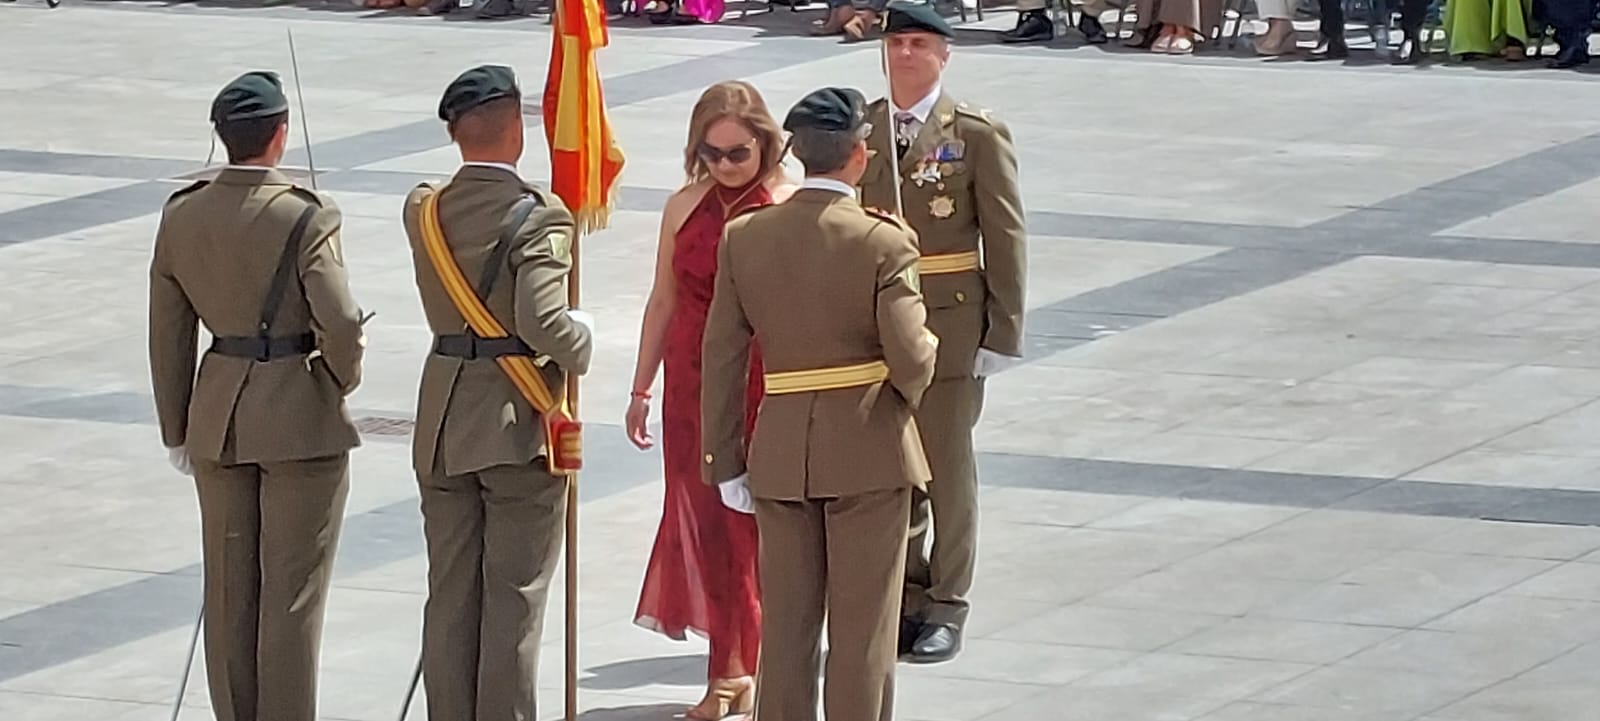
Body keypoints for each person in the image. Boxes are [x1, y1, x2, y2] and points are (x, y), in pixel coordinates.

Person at [701, 86, 938, 721]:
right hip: (869, 450)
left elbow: (720, 356)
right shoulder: (884, 242)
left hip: (779, 452)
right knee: (863, 634)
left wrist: (723, 460)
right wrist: (900, 400)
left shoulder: (744, 236)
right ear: (860, 156)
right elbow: (912, 356)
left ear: (798, 154)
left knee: (786, 632)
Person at [148, 70, 367, 721]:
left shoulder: (183, 212)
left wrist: (176, 426)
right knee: (291, 596)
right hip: (297, 410)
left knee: (229, 590)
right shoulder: (306, 212)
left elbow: (168, 331)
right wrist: (336, 381)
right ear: (279, 135)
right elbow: (344, 321)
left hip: (216, 415)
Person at [401, 64, 594, 721]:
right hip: (516, 424)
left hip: (444, 419)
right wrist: (582, 343)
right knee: (514, 596)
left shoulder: (422, 207)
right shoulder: (539, 216)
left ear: (456, 133)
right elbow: (543, 320)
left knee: (450, 595)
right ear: (516, 128)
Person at [858, 0, 1027, 664]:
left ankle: (948, 602)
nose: (907, 54)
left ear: (945, 53)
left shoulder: (975, 133)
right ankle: (905, 594)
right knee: (892, 468)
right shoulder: (865, 125)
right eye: (898, 42)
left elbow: (1004, 233)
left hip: (951, 321)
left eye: (921, 44)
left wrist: (1003, 331)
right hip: (878, 323)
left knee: (947, 471)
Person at [624, 79, 792, 721]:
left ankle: (745, 668)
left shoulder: (786, 200)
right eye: (712, 153)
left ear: (765, 146)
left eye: (738, 154)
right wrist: (641, 386)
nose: (724, 166)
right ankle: (731, 670)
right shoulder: (684, 204)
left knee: (752, 530)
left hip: (759, 377)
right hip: (689, 384)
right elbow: (662, 297)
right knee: (704, 523)